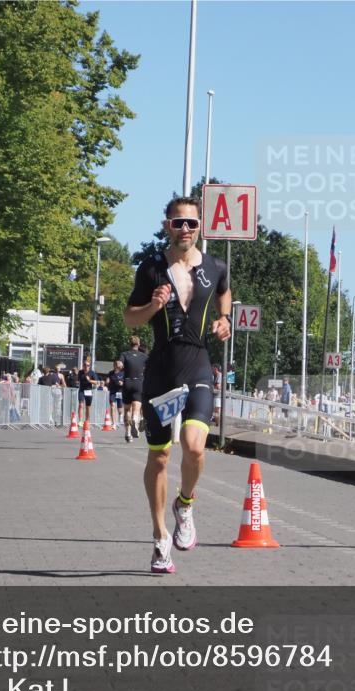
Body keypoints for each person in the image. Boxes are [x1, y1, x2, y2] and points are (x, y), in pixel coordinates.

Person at [123, 196, 231, 574]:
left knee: (195, 446)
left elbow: (223, 293)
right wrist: (153, 306)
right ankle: (159, 537)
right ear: (166, 226)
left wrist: (225, 320)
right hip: (160, 371)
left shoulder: (216, 267)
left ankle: (185, 503)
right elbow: (130, 318)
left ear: (200, 226)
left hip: (198, 364)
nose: (185, 229)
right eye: (177, 223)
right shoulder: (151, 269)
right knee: (160, 456)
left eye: (191, 223)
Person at [119, 336, 147, 443]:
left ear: (129, 344)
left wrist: (121, 364)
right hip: (138, 382)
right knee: (136, 409)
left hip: (127, 382)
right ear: (139, 344)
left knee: (127, 410)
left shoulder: (124, 354)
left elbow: (120, 364)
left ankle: (128, 433)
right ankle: (136, 420)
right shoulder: (144, 356)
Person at [77, 357, 100, 423]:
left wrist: (89, 380)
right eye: (85, 365)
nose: (86, 366)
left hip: (88, 391)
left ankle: (87, 420)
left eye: (87, 365)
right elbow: (78, 380)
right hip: (81, 390)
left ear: (89, 366)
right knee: (81, 405)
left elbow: (97, 382)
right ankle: (80, 420)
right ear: (83, 365)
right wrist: (77, 382)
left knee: (88, 406)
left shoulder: (92, 373)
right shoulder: (80, 372)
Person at [107, 361, 125, 426]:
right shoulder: (111, 373)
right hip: (112, 392)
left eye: (117, 365)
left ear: (119, 366)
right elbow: (108, 379)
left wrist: (122, 383)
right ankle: (113, 423)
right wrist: (107, 381)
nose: (115, 366)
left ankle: (121, 415)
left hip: (120, 392)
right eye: (114, 365)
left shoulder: (123, 373)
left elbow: (126, 382)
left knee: (120, 408)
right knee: (112, 405)